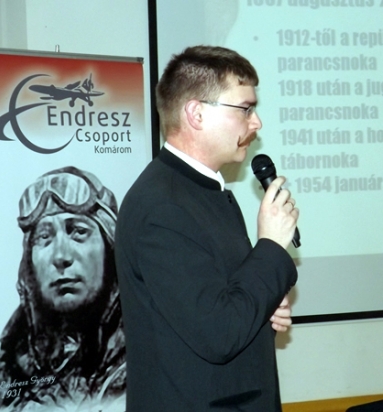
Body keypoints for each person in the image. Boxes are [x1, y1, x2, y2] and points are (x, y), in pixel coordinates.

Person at [115, 45, 299, 411]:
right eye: (245, 109)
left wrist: (262, 304)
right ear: (196, 113)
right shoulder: (161, 208)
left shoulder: (204, 192)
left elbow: (220, 302)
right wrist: (271, 247)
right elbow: (219, 334)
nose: (256, 123)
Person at [0, 166, 126, 412]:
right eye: (44, 237)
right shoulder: (0, 377)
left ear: (109, 247)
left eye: (79, 232)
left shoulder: (147, 354)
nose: (61, 256)